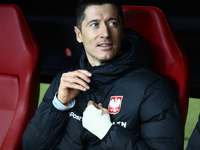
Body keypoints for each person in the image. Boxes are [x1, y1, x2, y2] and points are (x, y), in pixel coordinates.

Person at [22, 0, 184, 149]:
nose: (105, 33)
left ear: (121, 31)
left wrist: (107, 132)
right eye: (94, 24)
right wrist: (58, 105)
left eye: (112, 23)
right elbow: (31, 146)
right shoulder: (64, 81)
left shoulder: (153, 88)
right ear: (78, 34)